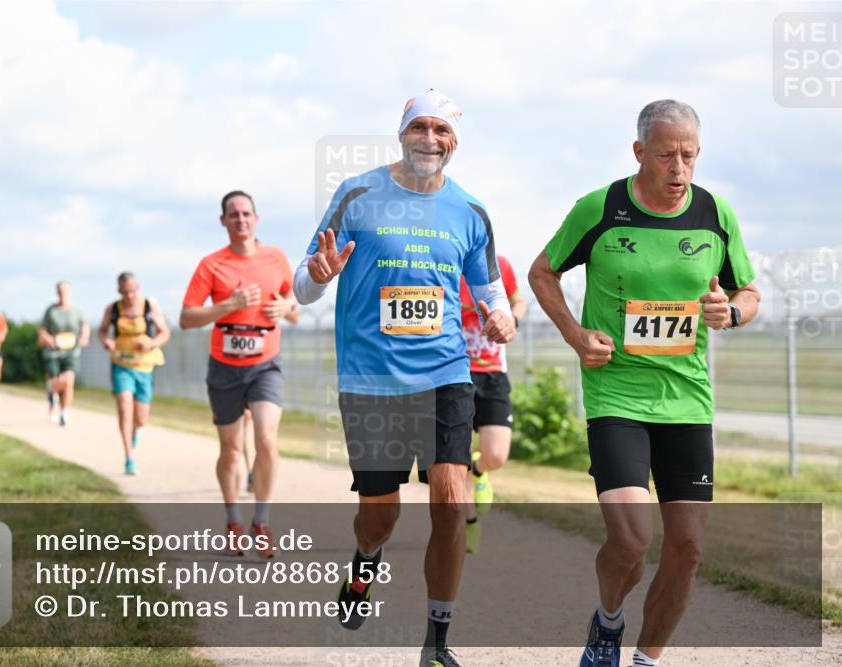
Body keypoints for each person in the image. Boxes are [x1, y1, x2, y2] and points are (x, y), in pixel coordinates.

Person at [528, 100, 760, 667]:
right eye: (665, 156)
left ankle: (645, 660)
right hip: (616, 394)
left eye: (689, 156)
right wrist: (576, 335)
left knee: (688, 548)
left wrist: (731, 312)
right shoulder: (600, 209)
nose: (679, 169)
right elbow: (543, 271)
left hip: (687, 400)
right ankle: (608, 621)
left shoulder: (716, 214)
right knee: (632, 539)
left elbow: (749, 292)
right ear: (639, 152)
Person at [294, 90, 514, 667]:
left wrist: (502, 314)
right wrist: (319, 275)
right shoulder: (358, 194)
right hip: (371, 381)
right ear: (401, 133)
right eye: (420, 127)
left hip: (445, 375)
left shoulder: (470, 211)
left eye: (442, 130)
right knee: (380, 517)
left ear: (455, 142)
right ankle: (366, 560)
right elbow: (303, 284)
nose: (430, 139)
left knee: (452, 501)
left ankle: (436, 642)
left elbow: (490, 288)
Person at [180, 190, 299, 558]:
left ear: (256, 219)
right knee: (231, 450)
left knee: (266, 440)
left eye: (246, 213)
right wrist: (229, 305)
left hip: (266, 364)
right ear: (223, 221)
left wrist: (285, 307)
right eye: (233, 214)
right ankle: (233, 521)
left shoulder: (276, 258)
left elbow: (295, 307)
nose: (241, 219)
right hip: (225, 367)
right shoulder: (211, 265)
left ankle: (261, 521)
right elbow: (187, 318)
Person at [460, 255, 527, 553]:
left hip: (492, 375)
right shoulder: (442, 261)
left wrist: (512, 319)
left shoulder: (497, 264)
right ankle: (470, 522)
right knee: (456, 457)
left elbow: (519, 302)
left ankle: (479, 470)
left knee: (497, 456)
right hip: (454, 374)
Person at [97, 272, 170, 475]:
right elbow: (102, 330)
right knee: (124, 407)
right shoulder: (112, 309)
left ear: (139, 288)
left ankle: (135, 431)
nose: (130, 295)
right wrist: (106, 341)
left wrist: (152, 343)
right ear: (119, 290)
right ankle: (129, 457)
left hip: (144, 366)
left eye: (133, 290)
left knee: (140, 419)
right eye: (126, 291)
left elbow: (165, 333)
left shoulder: (149, 307)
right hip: (121, 364)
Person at [38, 281, 90, 426]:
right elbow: (42, 330)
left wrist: (84, 337)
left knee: (68, 381)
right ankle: (52, 397)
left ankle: (64, 412)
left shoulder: (76, 311)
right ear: (57, 292)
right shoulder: (51, 311)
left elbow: (84, 326)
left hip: (71, 352)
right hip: (53, 353)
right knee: (55, 382)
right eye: (60, 291)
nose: (63, 293)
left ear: (70, 292)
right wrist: (49, 339)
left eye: (65, 290)